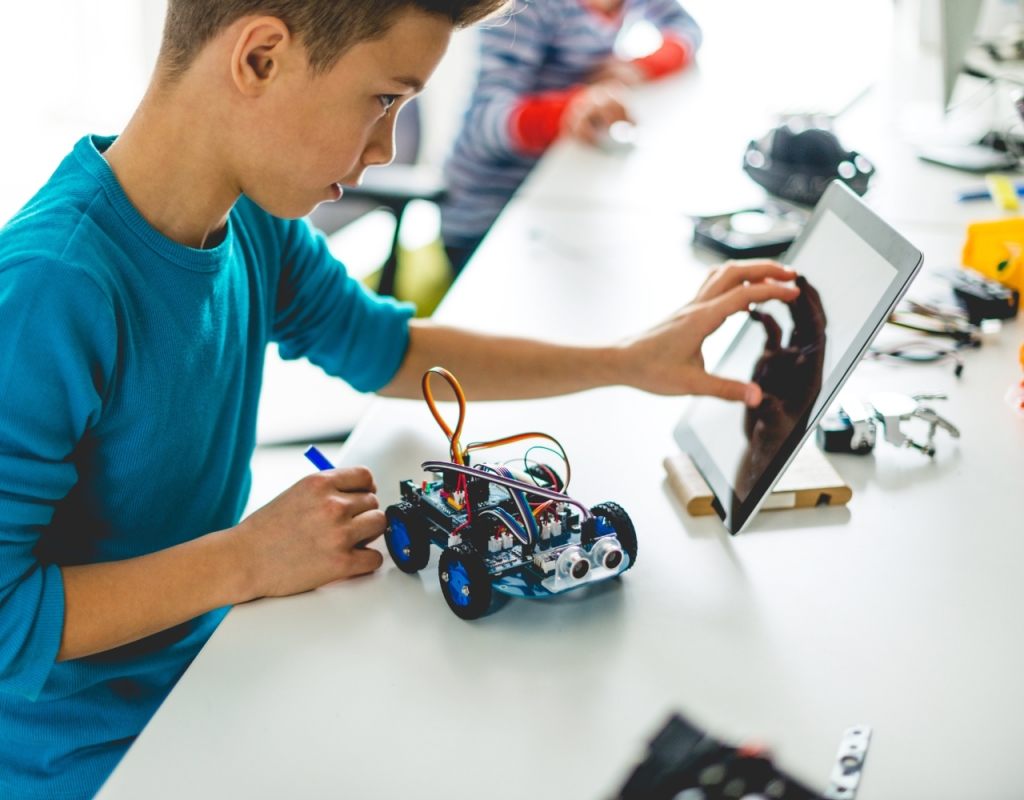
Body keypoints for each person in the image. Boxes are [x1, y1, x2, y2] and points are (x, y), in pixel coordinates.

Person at [0, 0, 799, 795]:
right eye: (384, 99)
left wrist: (626, 360)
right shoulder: (52, 290)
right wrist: (245, 559)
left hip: (219, 656)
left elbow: (390, 349)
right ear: (260, 59)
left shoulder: (247, 219)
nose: (385, 148)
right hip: (96, 756)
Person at [441, 0, 702, 271]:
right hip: (490, 211)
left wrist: (638, 67)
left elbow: (686, 28)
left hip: (561, 185)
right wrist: (571, 110)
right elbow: (486, 121)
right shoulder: (524, 7)